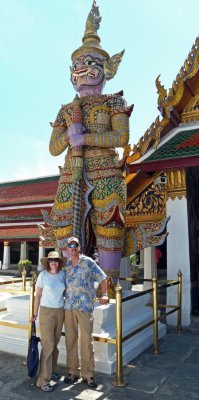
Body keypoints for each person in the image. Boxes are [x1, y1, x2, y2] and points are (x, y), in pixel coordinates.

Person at [42, 1, 133, 280]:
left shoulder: (114, 102)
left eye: (90, 63)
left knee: (109, 223)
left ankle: (109, 284)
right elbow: (53, 147)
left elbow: (121, 137)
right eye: (77, 65)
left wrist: (86, 136)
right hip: (72, 171)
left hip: (105, 169)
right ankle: (65, 280)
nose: (82, 69)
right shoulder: (66, 110)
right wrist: (70, 137)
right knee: (63, 224)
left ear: (107, 69)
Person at [64, 237, 108, 389]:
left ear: (79, 247)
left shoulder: (88, 262)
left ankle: (88, 374)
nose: (73, 248)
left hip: (84, 307)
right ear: (68, 249)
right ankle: (72, 371)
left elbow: (103, 277)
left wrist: (104, 294)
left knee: (86, 341)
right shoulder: (67, 265)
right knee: (70, 339)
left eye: (75, 245)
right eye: (70, 246)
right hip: (68, 307)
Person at [31, 251, 66, 392]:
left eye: (56, 260)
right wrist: (34, 313)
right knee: (48, 344)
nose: (53, 262)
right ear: (47, 262)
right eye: (51, 260)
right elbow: (38, 296)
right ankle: (43, 380)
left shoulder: (63, 275)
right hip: (46, 311)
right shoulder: (43, 275)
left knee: (55, 343)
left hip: (60, 311)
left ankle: (51, 370)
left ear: (59, 262)